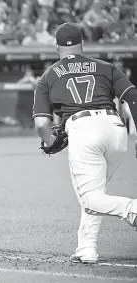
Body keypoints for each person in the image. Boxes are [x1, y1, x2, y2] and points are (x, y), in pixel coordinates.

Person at [33, 23, 137, 264]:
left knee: (90, 198)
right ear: (83, 44)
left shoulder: (48, 76)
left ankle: (132, 209)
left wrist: (48, 140)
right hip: (116, 130)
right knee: (94, 193)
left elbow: (41, 123)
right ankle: (86, 249)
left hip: (83, 130)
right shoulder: (106, 67)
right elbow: (131, 96)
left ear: (56, 46)